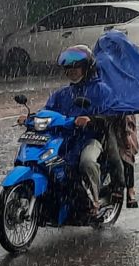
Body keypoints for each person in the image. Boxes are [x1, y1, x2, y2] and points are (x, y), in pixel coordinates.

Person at [44, 45, 118, 216]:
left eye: (76, 67)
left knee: (86, 162)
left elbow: (110, 116)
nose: (72, 71)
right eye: (68, 68)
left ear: (87, 68)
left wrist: (90, 120)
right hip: (65, 139)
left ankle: (95, 201)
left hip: (91, 139)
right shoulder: (62, 94)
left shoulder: (101, 90)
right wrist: (30, 118)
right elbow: (47, 111)